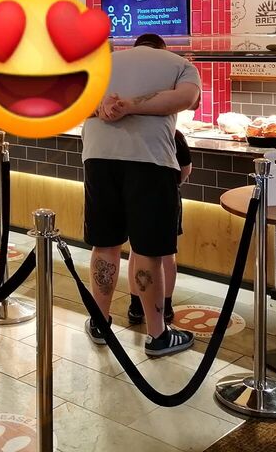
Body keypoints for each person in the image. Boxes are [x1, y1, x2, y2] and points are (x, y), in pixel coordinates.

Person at [81, 34, 201, 357]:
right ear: (162, 48)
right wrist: (131, 106)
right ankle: (157, 335)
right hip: (151, 160)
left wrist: (106, 107)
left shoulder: (103, 64)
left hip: (98, 158)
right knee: (148, 250)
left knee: (105, 244)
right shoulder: (181, 64)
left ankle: (100, 323)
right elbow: (187, 99)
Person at [124, 32, 193, 325]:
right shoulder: (173, 134)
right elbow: (184, 171)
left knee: (136, 251)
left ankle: (135, 306)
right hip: (163, 191)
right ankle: (163, 309)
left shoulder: (125, 124)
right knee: (164, 254)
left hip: (128, 187)